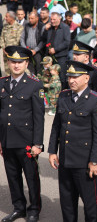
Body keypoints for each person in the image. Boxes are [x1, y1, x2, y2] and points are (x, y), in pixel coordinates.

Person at [48, 60, 97, 222]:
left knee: (90, 205)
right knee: (67, 203)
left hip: (84, 162)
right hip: (65, 160)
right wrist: (53, 151)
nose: (71, 80)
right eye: (69, 77)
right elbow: (56, 127)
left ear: (86, 79)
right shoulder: (64, 96)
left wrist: (95, 161)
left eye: (76, 77)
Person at [0, 46, 45, 222]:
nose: (16, 65)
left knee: (31, 177)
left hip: (26, 141)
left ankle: (34, 209)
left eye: (20, 62)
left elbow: (39, 117)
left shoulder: (35, 84)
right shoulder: (2, 83)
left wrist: (37, 144)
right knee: (12, 176)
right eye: (13, 62)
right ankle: (19, 207)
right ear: (8, 62)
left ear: (26, 63)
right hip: (7, 140)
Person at [45, 12, 71, 89]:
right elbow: (44, 40)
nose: (52, 21)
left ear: (59, 19)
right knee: (50, 76)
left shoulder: (65, 27)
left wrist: (55, 49)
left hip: (61, 56)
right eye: (51, 19)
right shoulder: (50, 28)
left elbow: (67, 42)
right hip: (50, 57)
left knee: (61, 76)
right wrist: (45, 29)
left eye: (54, 19)